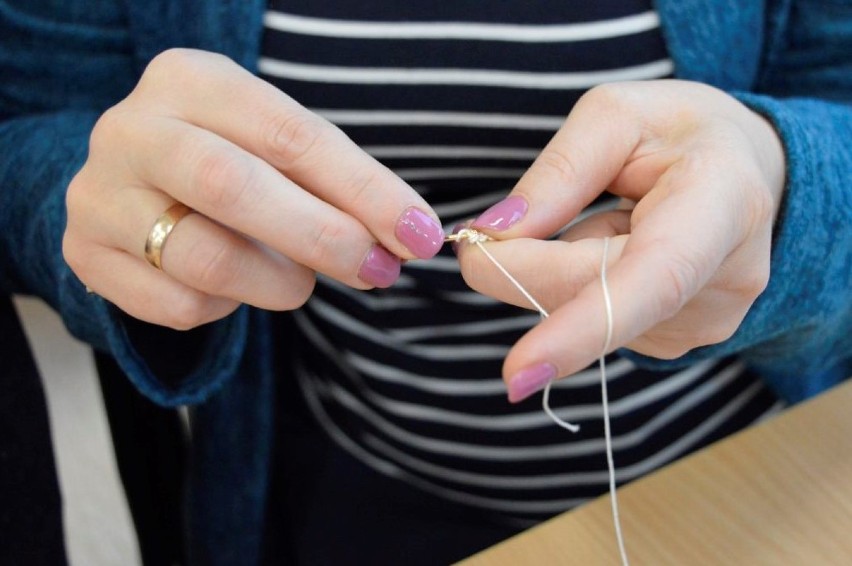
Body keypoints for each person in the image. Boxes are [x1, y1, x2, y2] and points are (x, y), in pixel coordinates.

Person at [1, 0, 849, 564]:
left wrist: (783, 182)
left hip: (751, 479)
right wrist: (124, 208)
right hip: (345, 479)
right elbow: (29, 122)